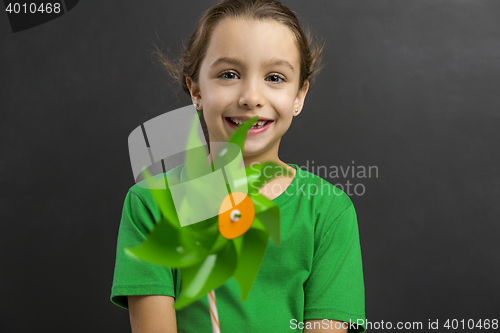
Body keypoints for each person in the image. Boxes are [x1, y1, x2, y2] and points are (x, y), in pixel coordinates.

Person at [110, 0, 366, 332]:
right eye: (229, 74)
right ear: (196, 89)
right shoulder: (150, 205)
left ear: (299, 95)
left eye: (275, 77)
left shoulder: (328, 212)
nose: (251, 96)